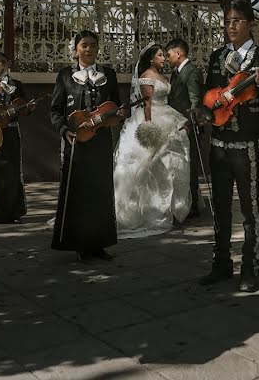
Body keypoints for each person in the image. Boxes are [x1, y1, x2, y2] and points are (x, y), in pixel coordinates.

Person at [198, 0, 259, 293]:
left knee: (250, 210)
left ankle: (250, 268)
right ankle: (221, 264)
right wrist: (204, 111)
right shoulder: (217, 56)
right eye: (227, 21)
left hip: (246, 145)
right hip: (218, 144)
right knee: (219, 207)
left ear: (250, 23)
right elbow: (210, 94)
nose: (230, 26)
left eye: (236, 20)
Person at [50, 30, 126, 263]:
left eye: (93, 45)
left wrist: (119, 115)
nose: (89, 49)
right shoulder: (65, 75)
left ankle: (99, 244)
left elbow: (116, 106)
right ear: (76, 49)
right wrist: (64, 130)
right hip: (77, 144)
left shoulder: (109, 75)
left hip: (101, 142)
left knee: (101, 193)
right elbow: (55, 110)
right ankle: (81, 244)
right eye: (84, 45)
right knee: (79, 194)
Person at [113, 43, 192, 237]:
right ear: (151, 58)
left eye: (164, 55)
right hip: (153, 118)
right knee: (149, 164)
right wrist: (148, 127)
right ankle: (148, 209)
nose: (164, 58)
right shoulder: (147, 76)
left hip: (168, 115)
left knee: (170, 164)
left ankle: (167, 208)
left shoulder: (161, 75)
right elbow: (147, 103)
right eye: (160, 55)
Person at [0, 52, 34, 224]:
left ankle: (12, 212)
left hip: (11, 133)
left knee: (12, 171)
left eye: (4, 61)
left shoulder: (16, 85)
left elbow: (23, 107)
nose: (1, 65)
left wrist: (28, 108)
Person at [165, 38, 205, 218]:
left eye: (169, 54)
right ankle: (181, 202)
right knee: (179, 165)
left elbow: (195, 101)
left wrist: (190, 124)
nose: (167, 58)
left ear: (178, 53)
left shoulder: (192, 72)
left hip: (187, 127)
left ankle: (193, 205)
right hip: (175, 125)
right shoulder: (176, 73)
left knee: (190, 165)